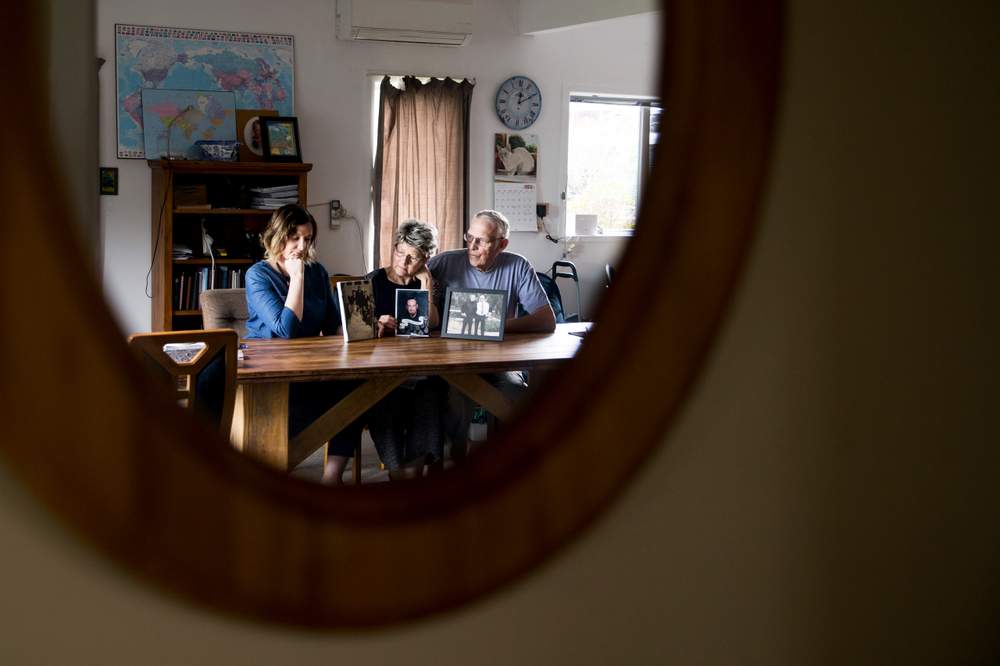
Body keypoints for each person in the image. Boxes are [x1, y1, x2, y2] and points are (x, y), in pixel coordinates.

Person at [244, 204, 363, 485]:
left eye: (307, 239)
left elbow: (334, 323)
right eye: (294, 237)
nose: (301, 246)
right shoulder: (258, 275)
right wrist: (296, 277)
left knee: (358, 388)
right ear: (277, 236)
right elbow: (286, 330)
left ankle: (332, 478)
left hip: (310, 363)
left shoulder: (318, 272)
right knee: (303, 406)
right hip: (269, 370)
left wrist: (360, 330)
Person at [428, 209, 556, 459]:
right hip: (455, 365)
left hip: (502, 362)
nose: (472, 246)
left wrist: (495, 326)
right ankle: (456, 461)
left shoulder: (517, 265)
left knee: (516, 395)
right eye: (469, 237)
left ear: (502, 244)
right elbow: (404, 285)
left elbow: (547, 320)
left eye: (482, 240)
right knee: (455, 399)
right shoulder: (444, 262)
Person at [365, 219, 446, 479]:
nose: (404, 262)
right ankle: (397, 472)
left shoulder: (427, 282)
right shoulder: (373, 281)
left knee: (431, 391)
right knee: (383, 397)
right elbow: (356, 330)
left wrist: (426, 284)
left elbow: (432, 324)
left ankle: (414, 472)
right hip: (382, 369)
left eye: (414, 257)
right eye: (400, 253)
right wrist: (376, 324)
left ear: (426, 259)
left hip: (421, 367)